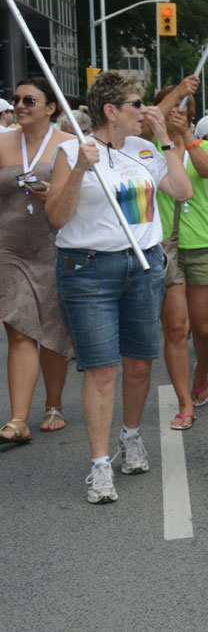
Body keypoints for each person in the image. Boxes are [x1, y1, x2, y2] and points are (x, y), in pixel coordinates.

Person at [45, 72, 192, 503]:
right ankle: (98, 465)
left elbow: (181, 191)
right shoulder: (71, 150)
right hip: (88, 268)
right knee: (102, 369)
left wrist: (165, 138)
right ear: (111, 111)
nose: (144, 110)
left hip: (143, 265)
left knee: (140, 364)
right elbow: (55, 216)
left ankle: (131, 436)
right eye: (135, 104)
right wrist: (79, 170)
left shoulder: (145, 148)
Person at [0, 78, 74, 446]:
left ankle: (55, 405)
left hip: (56, 246)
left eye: (29, 99)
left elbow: (80, 197)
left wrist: (56, 193)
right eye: (16, 99)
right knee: (18, 327)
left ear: (51, 108)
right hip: (10, 248)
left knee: (52, 329)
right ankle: (17, 420)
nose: (20, 105)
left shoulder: (69, 145)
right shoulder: (2, 142)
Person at [153, 83, 208, 429]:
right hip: (165, 246)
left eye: (182, 108)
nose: (175, 112)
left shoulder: (202, 145)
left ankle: (202, 370)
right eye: (170, 107)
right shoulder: (148, 148)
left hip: (203, 244)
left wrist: (186, 136)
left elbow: (207, 169)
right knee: (176, 328)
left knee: (205, 328)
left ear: (191, 115)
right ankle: (184, 402)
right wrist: (165, 130)